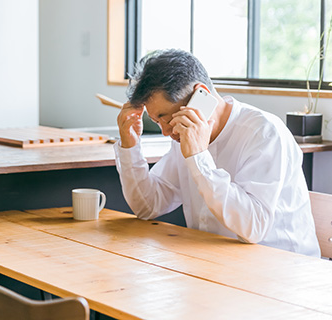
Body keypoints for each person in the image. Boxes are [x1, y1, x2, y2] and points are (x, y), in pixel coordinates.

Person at [115, 48, 320, 257]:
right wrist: (130, 146)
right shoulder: (183, 134)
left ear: (199, 95)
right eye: (157, 122)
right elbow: (149, 206)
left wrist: (198, 158)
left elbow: (253, 227)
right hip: (214, 264)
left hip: (282, 270)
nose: (166, 132)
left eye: (166, 118)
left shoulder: (265, 133)